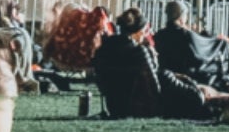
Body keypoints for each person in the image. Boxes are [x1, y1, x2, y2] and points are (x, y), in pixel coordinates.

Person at [91, 8, 220, 120]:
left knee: (193, 88)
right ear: (138, 33)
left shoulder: (104, 49)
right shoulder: (139, 52)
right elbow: (154, 87)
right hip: (142, 108)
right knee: (198, 95)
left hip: (115, 107)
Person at [155, 0, 229, 87]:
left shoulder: (159, 34)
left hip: (166, 76)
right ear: (181, 17)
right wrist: (222, 42)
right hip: (189, 76)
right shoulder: (186, 35)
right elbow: (205, 48)